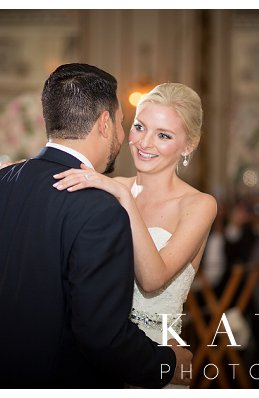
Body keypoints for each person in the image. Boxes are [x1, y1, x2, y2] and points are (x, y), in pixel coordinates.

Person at [0, 64, 191, 388]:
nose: (122, 133)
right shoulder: (100, 208)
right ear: (104, 123)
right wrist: (168, 364)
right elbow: (102, 337)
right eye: (121, 122)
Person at [52, 82, 217, 385]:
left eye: (163, 135)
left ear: (189, 144)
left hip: (158, 361)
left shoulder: (199, 205)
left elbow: (153, 279)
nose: (145, 142)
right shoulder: (109, 188)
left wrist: (125, 199)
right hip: (96, 359)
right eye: (140, 127)